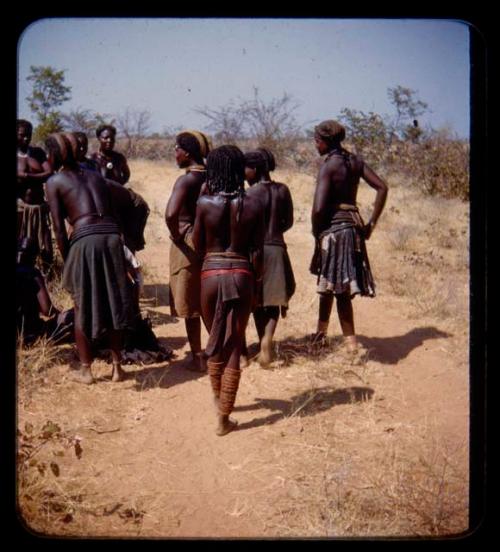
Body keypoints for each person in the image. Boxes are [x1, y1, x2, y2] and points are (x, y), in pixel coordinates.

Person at [44, 132, 135, 384]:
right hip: (111, 237)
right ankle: (117, 367)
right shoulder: (96, 176)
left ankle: (86, 370)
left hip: (86, 240)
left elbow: (58, 228)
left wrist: (68, 258)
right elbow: (121, 202)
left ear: (54, 155)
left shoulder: (55, 181)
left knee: (81, 303)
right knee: (114, 300)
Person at [192, 145, 265, 436]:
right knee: (235, 342)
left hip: (211, 272)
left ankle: (216, 395)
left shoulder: (204, 203)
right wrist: (255, 283)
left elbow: (198, 246)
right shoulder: (254, 204)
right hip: (242, 273)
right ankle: (224, 418)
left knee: (215, 339)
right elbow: (258, 252)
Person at [310, 120, 388, 352]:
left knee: (339, 288)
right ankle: (320, 335)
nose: (315, 145)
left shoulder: (328, 166)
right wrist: (371, 223)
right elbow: (382, 187)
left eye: (317, 141)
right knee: (329, 284)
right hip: (353, 227)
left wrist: (317, 232)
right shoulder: (355, 161)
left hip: (333, 230)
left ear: (325, 141)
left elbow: (318, 208)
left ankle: (351, 344)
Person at [244, 148, 296, 367]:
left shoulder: (251, 194)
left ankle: (259, 344)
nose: (243, 173)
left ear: (254, 169)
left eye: (245, 169)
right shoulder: (283, 190)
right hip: (278, 247)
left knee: (255, 299)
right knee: (274, 300)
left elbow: (244, 224)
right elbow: (289, 222)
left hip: (256, 249)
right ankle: (267, 341)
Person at [165, 130, 212, 372]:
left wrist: (176, 234)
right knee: (208, 300)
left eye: (177, 149)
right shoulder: (212, 177)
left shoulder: (186, 180)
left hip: (187, 243)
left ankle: (197, 356)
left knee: (190, 305)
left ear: (188, 152)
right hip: (210, 242)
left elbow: (171, 214)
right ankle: (217, 350)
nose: (175, 153)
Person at [91, 124, 150, 254]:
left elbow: (126, 174)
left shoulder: (118, 158)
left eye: (112, 138)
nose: (109, 141)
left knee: (141, 206)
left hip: (120, 200)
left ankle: (135, 243)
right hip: (101, 203)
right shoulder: (93, 160)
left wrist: (119, 187)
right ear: (99, 138)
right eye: (105, 138)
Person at [17, 119, 54, 275]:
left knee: (45, 244)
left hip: (39, 207)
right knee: (20, 242)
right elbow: (43, 175)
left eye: (29, 135)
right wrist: (38, 176)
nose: (26, 138)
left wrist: (26, 176)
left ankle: (49, 276)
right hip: (20, 207)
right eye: (22, 135)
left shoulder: (38, 153)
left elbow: (49, 172)